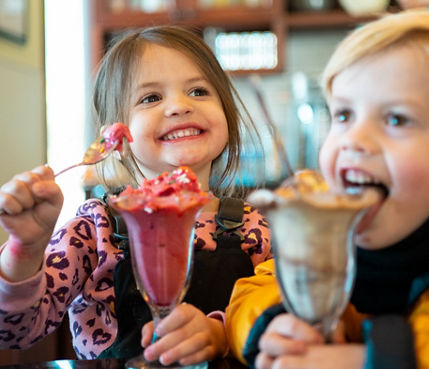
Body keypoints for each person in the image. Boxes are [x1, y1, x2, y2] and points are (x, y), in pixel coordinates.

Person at [0, 26, 271, 365]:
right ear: (116, 139)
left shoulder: (250, 226)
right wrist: (25, 250)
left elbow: (274, 320)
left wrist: (221, 331)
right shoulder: (94, 230)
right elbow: (13, 330)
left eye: (199, 91)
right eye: (151, 98)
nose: (179, 107)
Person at [225, 8, 429, 369]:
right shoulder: (320, 227)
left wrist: (366, 360)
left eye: (396, 118)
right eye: (344, 115)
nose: (355, 140)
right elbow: (253, 292)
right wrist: (272, 324)